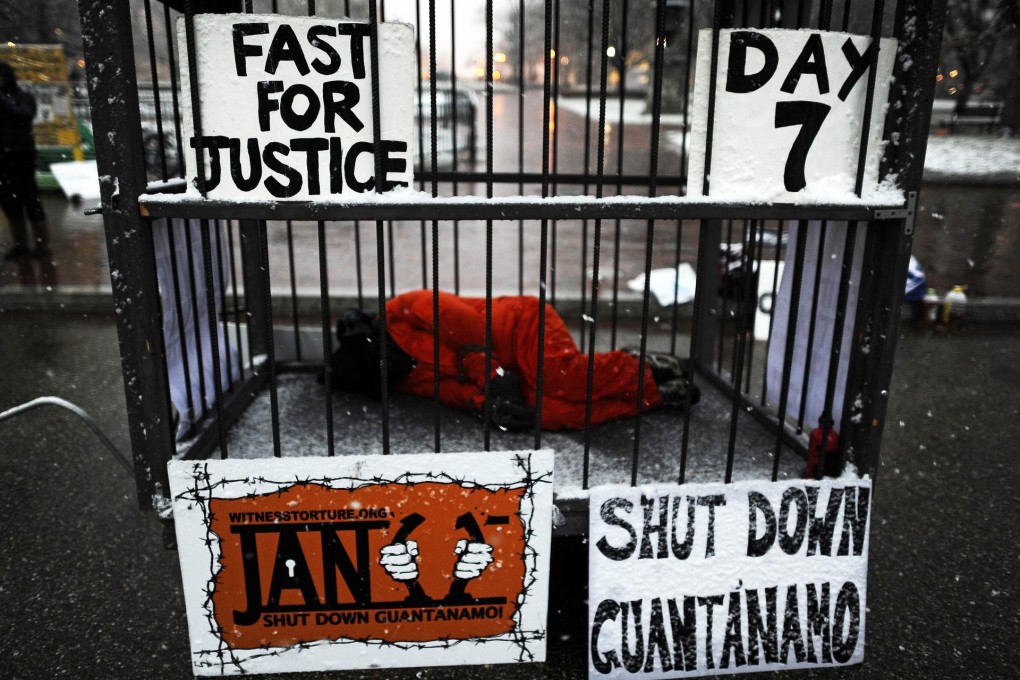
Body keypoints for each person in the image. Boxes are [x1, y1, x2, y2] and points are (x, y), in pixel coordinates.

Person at [327, 290, 698, 431]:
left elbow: (469, 330)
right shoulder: (400, 377)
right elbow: (448, 392)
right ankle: (654, 396)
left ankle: (642, 369)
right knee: (550, 414)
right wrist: (488, 403)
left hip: (521, 326)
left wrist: (490, 374)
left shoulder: (401, 310)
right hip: (508, 370)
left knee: (556, 375)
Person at [0, 60, 51, 261]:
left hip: (21, 157)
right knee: (9, 203)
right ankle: (20, 244)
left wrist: (3, 101)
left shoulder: (24, 97)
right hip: (2, 160)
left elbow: (23, 116)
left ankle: (41, 244)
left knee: (30, 200)